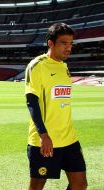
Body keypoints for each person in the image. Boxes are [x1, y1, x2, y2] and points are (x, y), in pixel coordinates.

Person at [25, 23, 87, 190]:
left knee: (80, 184)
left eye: (71, 43)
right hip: (44, 141)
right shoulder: (37, 66)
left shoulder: (65, 67)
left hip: (69, 139)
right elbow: (31, 102)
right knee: (37, 187)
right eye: (64, 43)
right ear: (50, 43)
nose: (69, 48)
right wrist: (43, 135)